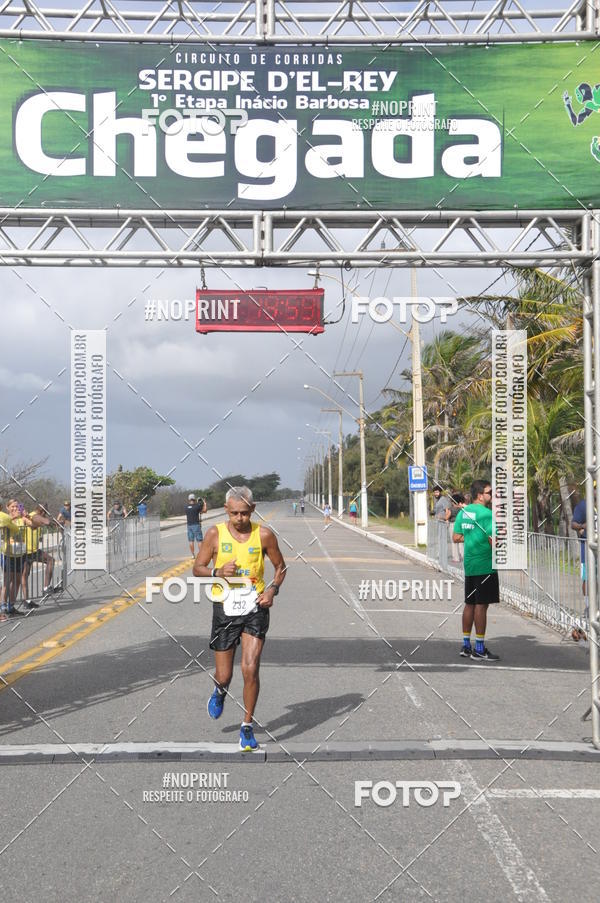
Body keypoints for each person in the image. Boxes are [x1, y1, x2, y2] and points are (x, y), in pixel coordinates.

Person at [193, 486, 286, 752]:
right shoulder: (214, 534)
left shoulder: (264, 535)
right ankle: (220, 691)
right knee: (224, 675)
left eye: (244, 513)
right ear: (226, 511)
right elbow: (197, 568)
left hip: (255, 607)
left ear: (253, 510)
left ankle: (247, 726)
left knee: (250, 667)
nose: (240, 518)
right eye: (234, 513)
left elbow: (281, 567)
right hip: (225, 607)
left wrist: (272, 590)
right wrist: (218, 571)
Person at [452, 479, 500, 661]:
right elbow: (493, 541)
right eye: (489, 492)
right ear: (480, 495)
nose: (492, 495)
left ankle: (466, 645)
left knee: (470, 603)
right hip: (485, 565)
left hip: (470, 565)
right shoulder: (487, 514)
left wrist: (473, 537)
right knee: (482, 605)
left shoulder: (463, 512)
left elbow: (456, 537)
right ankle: (479, 648)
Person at [0, 498, 25, 620]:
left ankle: (11, 606)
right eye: (12, 506)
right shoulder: (4, 518)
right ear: (7, 507)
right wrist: (14, 518)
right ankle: (2, 608)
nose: (15, 508)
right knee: (7, 581)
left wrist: (27, 517)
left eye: (17, 506)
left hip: (19, 553)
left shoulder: (21, 519)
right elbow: (5, 525)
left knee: (17, 580)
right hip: (7, 553)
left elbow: (32, 525)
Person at [572, 495, 589, 615]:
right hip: (588, 550)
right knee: (587, 579)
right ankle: (589, 606)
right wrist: (582, 526)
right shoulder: (583, 506)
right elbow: (573, 524)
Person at [433, 485, 452, 569]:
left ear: (440, 492)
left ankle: (442, 555)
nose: (436, 493)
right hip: (437, 522)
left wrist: (445, 519)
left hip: (443, 522)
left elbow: (448, 511)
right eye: (434, 492)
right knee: (439, 538)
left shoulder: (443, 500)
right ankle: (439, 554)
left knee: (443, 539)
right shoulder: (437, 500)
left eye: (437, 492)